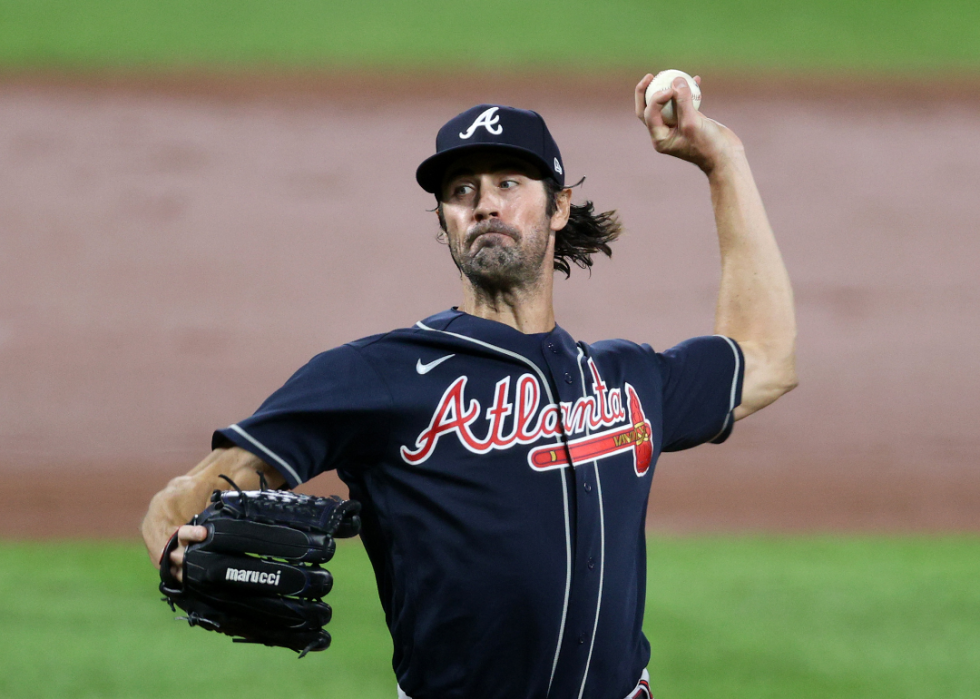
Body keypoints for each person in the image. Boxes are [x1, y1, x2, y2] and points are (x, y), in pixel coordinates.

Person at [142, 74, 797, 699]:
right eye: (461, 190)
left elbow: (765, 358)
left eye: (508, 182)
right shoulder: (383, 373)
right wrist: (176, 538)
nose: (484, 202)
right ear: (444, 222)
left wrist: (723, 159)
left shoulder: (628, 378)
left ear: (560, 205)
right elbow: (205, 482)